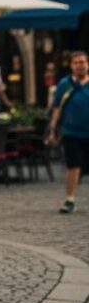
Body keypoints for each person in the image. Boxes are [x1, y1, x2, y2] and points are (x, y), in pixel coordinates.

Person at [48, 49, 89, 215]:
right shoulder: (65, 84)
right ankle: (69, 199)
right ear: (71, 66)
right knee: (73, 165)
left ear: (88, 64)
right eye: (76, 63)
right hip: (70, 131)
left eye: (83, 62)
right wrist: (52, 130)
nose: (80, 66)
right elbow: (57, 108)